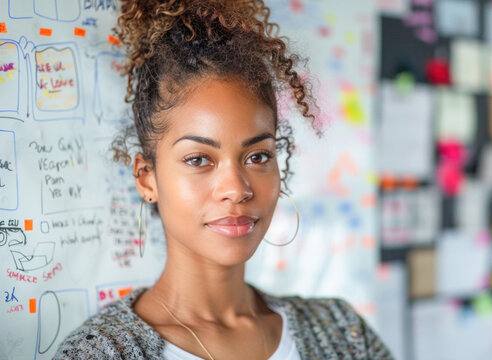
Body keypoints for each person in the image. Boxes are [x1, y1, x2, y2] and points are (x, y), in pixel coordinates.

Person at [54, 0, 393, 359]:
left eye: (257, 156)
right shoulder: (100, 354)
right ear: (146, 178)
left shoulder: (343, 332)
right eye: (199, 159)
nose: (236, 188)